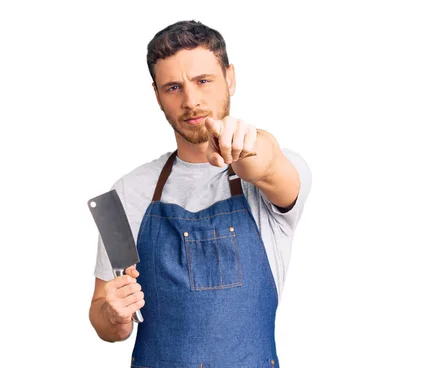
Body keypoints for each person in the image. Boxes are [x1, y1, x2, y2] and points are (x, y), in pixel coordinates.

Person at [88, 20, 311, 368]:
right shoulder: (128, 192)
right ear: (157, 95)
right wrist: (114, 314)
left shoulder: (267, 178)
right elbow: (103, 318)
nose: (191, 101)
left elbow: (265, 163)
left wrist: (247, 143)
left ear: (230, 78)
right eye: (173, 87)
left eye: (203, 81)